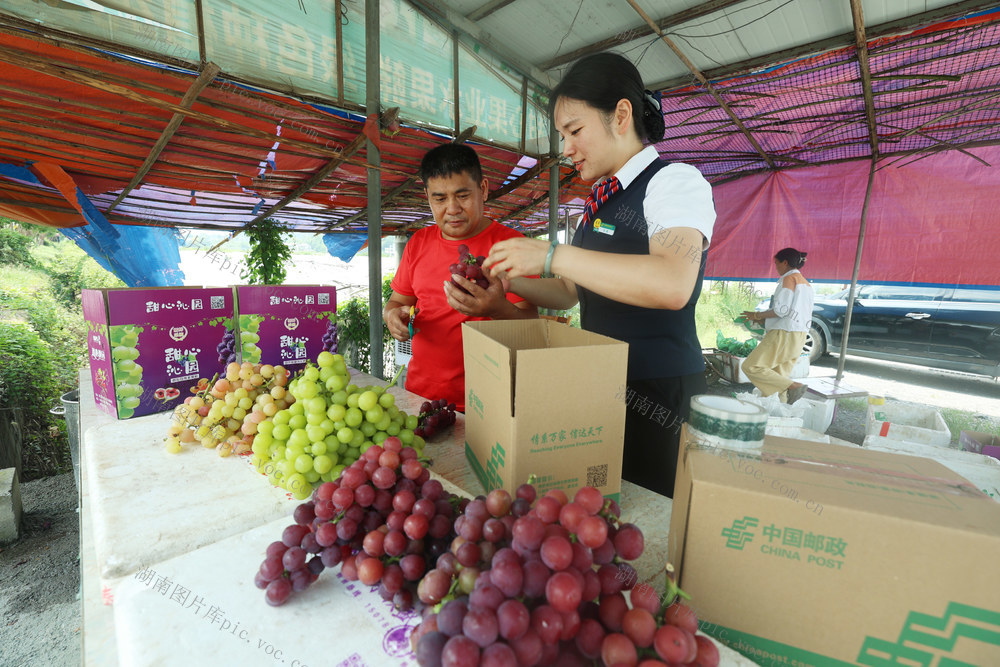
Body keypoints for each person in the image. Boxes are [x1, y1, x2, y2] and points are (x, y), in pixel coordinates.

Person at [481, 53, 716, 499]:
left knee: (653, 518)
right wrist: (509, 280)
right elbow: (570, 291)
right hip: (603, 383)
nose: (566, 148)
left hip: (659, 391)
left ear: (621, 114)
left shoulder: (675, 182)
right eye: (563, 135)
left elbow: (672, 283)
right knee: (606, 507)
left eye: (575, 130)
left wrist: (554, 254)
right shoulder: (599, 202)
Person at [383, 143, 537, 411]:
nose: (452, 209)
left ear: (484, 189)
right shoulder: (418, 242)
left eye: (462, 195)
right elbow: (397, 302)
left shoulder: (512, 246)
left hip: (487, 404)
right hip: (421, 397)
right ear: (428, 196)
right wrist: (392, 317)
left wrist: (498, 309)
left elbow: (530, 329)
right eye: (440, 199)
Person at [740, 248, 814, 404]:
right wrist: (763, 321)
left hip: (784, 333)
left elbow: (781, 310)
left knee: (752, 366)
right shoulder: (806, 284)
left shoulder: (789, 279)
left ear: (785, 262)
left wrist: (757, 315)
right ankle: (777, 415)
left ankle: (793, 386)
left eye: (777, 263)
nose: (776, 267)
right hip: (799, 335)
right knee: (776, 378)